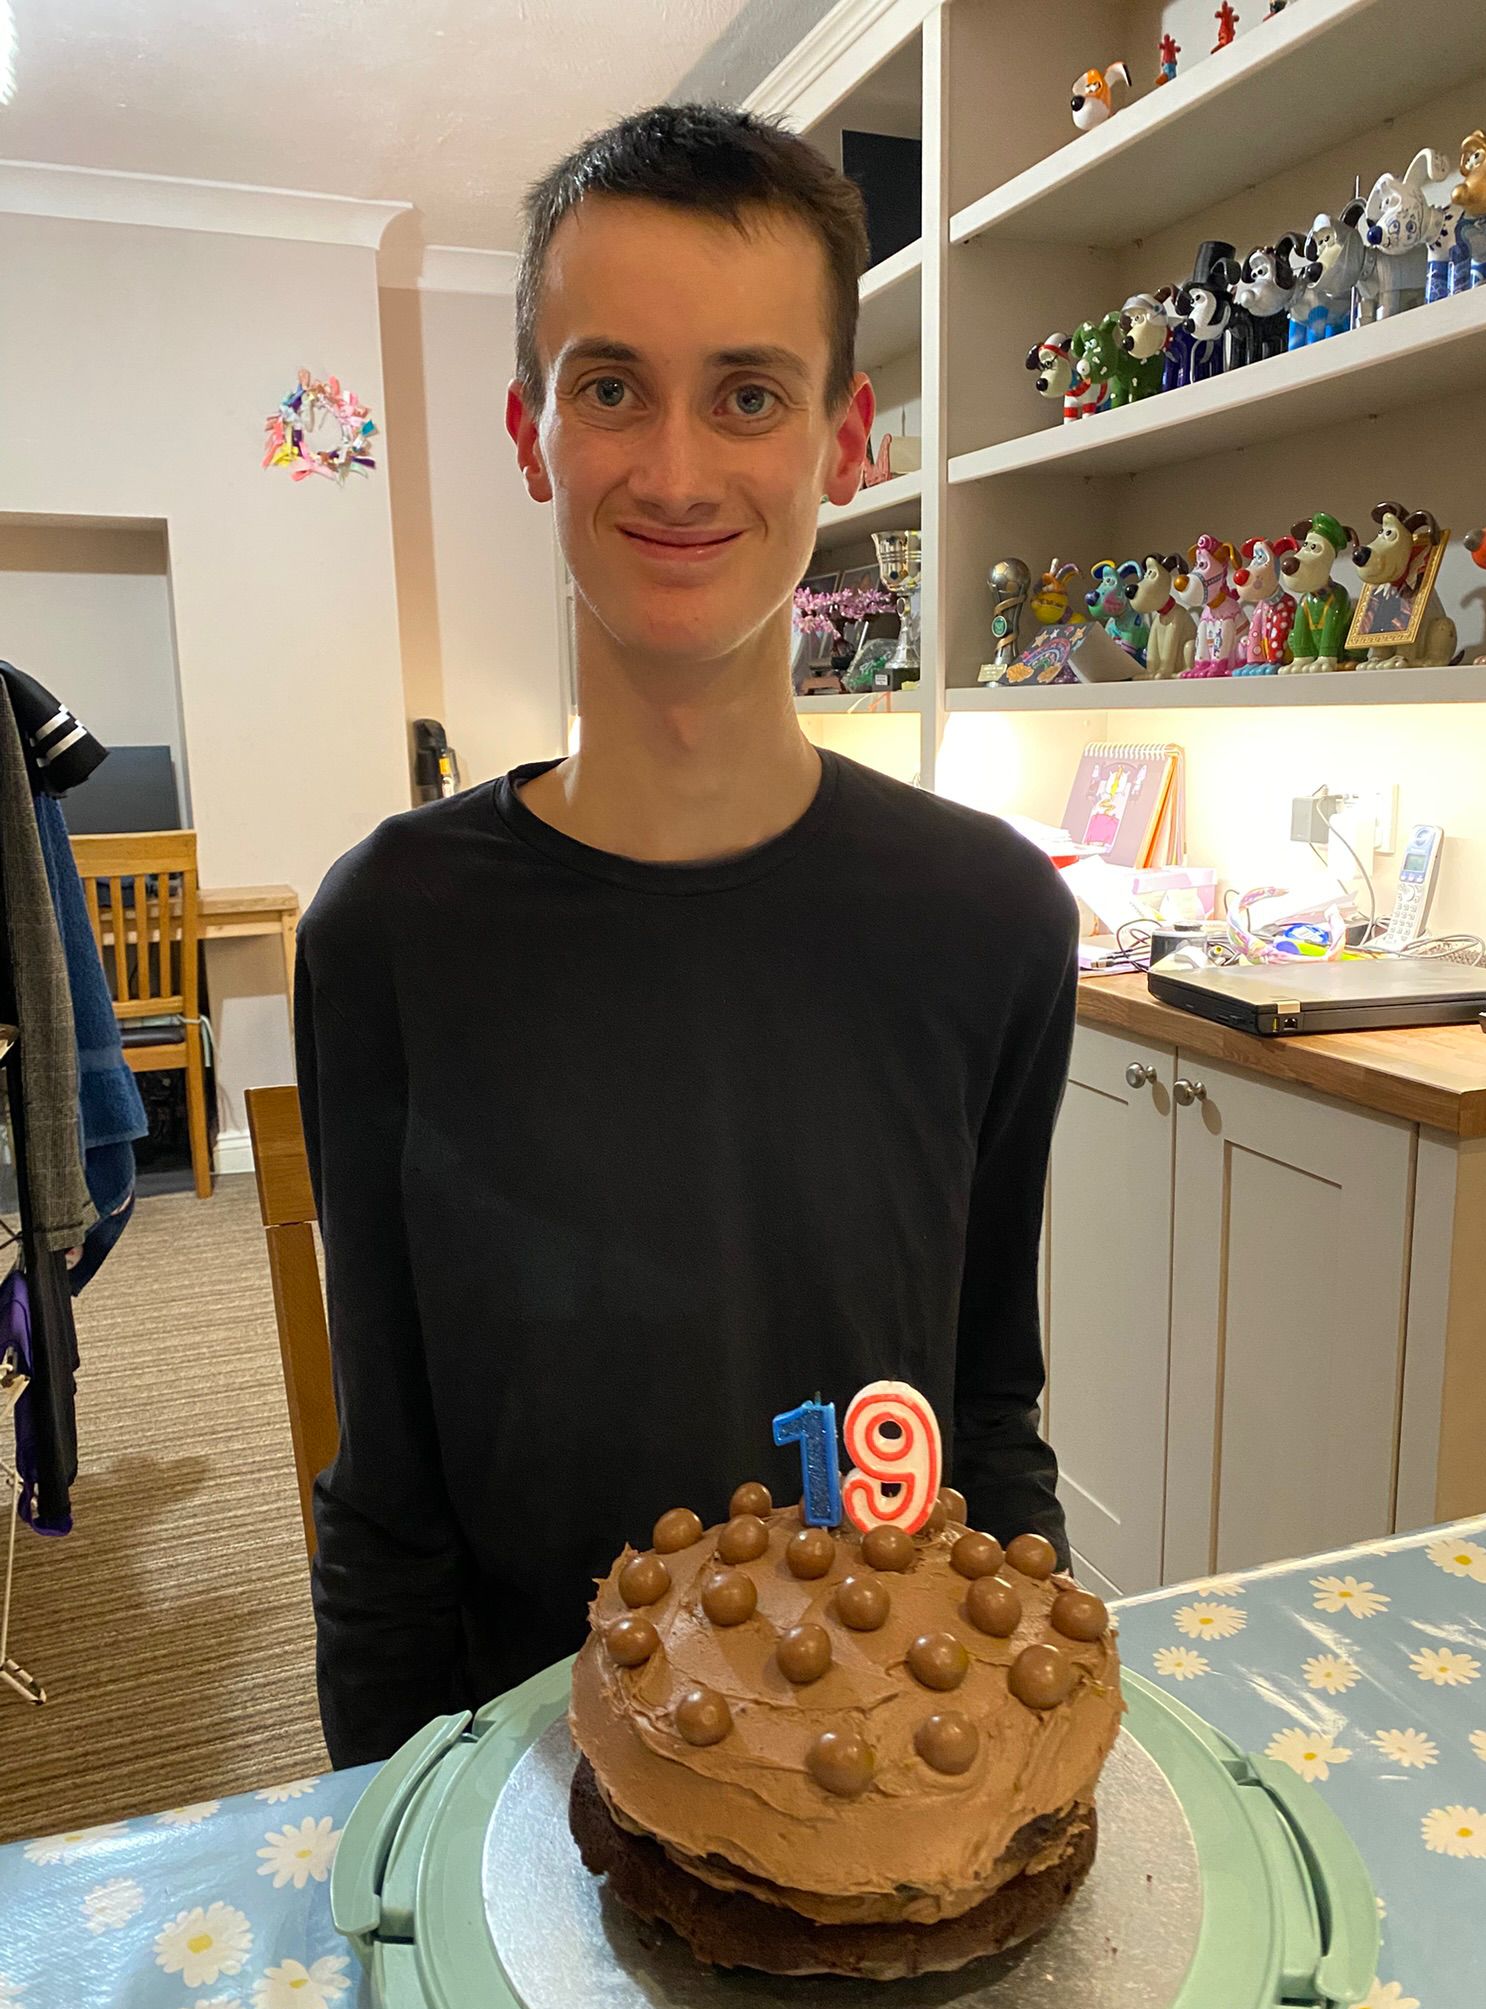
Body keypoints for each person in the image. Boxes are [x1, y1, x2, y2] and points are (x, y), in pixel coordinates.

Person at [296, 102, 1079, 1769]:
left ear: (843, 440)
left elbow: (987, 1414)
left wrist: (1021, 1773)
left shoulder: (994, 923)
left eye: (747, 394)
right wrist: (377, 1861)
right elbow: (388, 1504)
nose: (672, 468)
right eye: (609, 390)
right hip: (521, 1784)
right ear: (531, 434)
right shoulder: (387, 932)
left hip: (878, 1772)